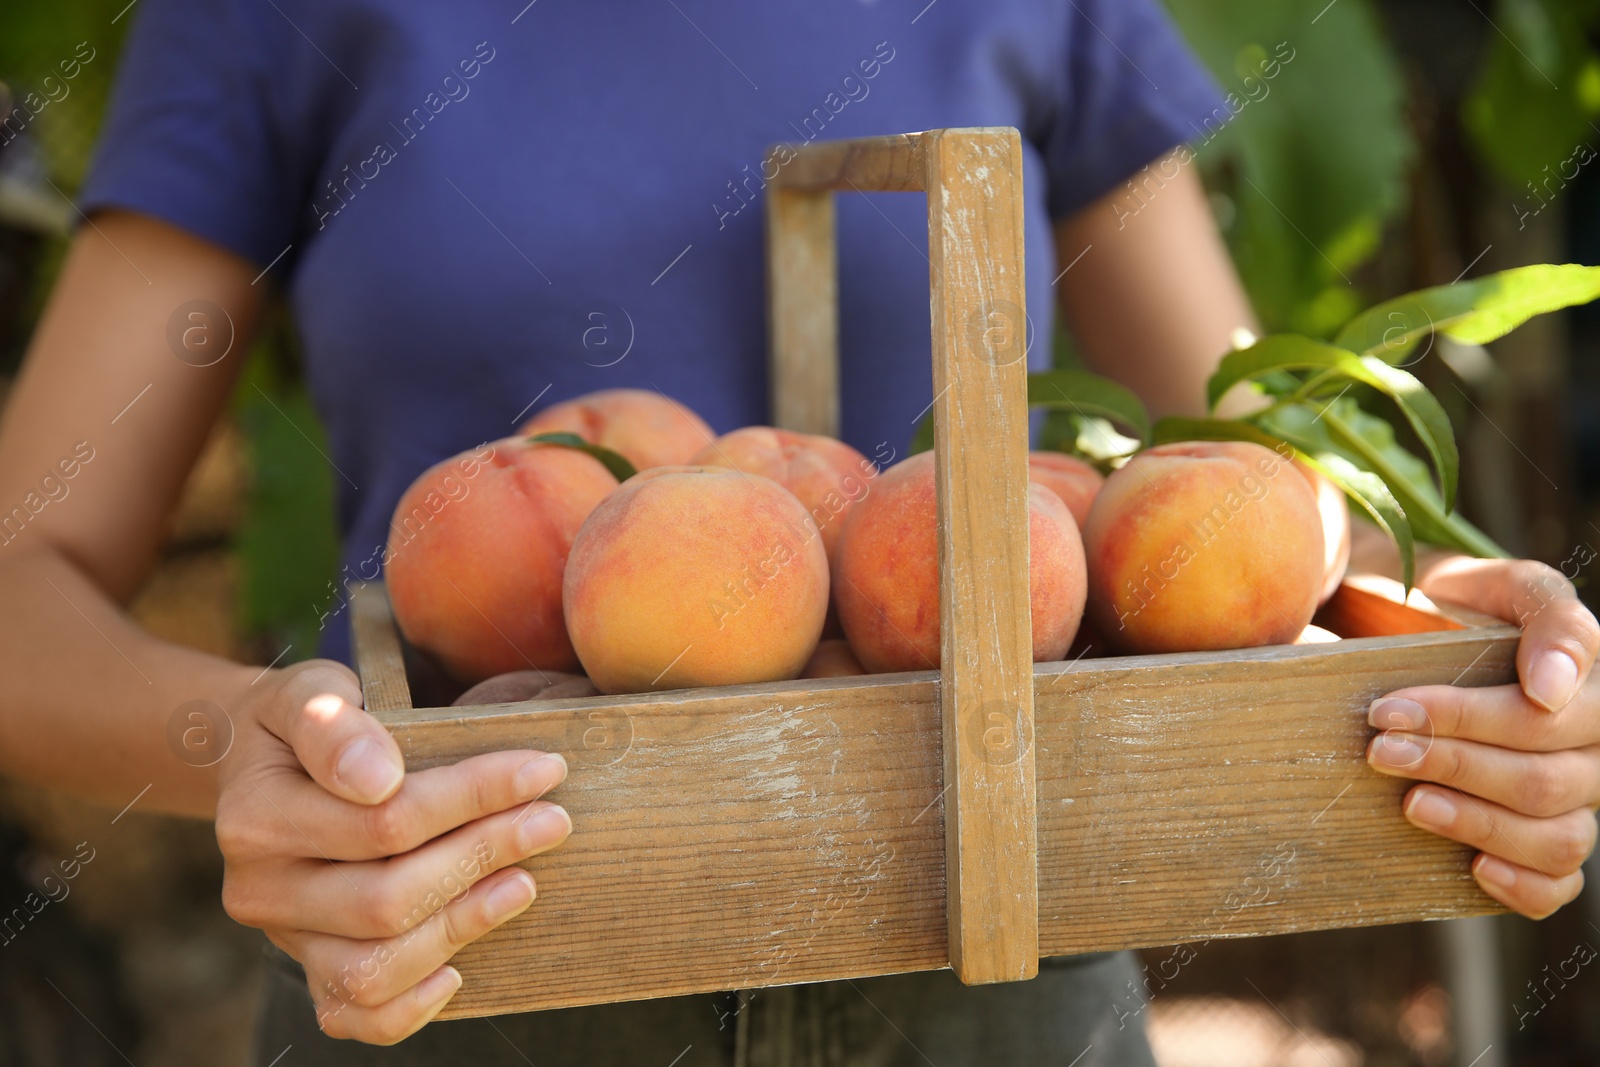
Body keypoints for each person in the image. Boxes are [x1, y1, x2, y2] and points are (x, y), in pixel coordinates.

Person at [1, 1, 1596, 1063]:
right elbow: (22, 583)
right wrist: (269, 757)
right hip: (469, 964)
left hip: (998, 982)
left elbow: (1241, 481)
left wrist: (1432, 626)